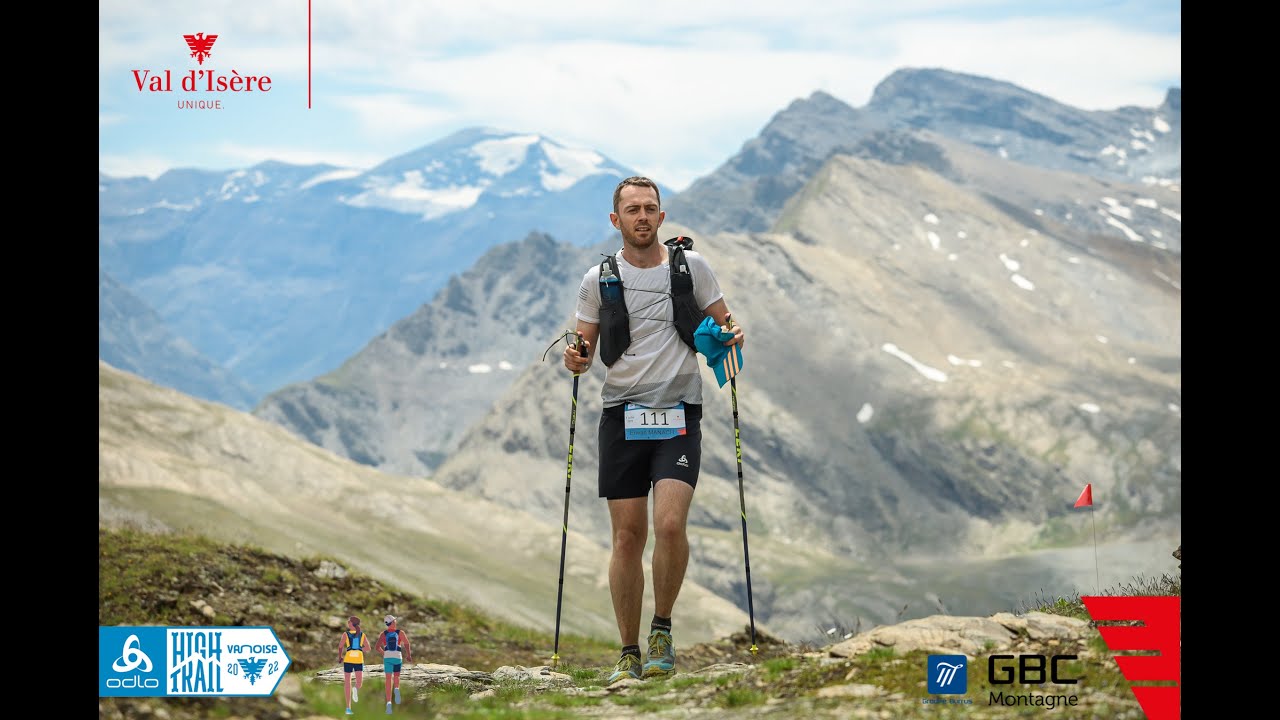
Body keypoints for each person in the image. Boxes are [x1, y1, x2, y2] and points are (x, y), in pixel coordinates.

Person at [562, 176, 744, 685]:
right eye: (632, 209)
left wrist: (730, 335)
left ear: (662, 218)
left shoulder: (692, 269)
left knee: (668, 526)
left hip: (679, 414)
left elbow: (727, 324)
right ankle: (628, 651)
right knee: (627, 538)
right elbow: (583, 351)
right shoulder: (597, 279)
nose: (642, 217)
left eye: (650, 208)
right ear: (615, 220)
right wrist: (575, 360)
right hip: (622, 415)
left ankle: (661, 630)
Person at [375, 614, 413, 713]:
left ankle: (388, 702)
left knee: (388, 679)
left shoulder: (383, 634)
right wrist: (408, 655)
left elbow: (377, 647)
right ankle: (396, 689)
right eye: (395, 620)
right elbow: (407, 644)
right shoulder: (400, 633)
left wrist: (384, 653)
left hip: (388, 657)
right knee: (396, 676)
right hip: (397, 657)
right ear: (393, 622)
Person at [338, 615, 371, 715]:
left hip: (352, 660)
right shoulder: (359, 634)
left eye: (349, 622)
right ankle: (349, 706)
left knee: (353, 683)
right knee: (353, 682)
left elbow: (340, 647)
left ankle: (353, 695)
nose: (348, 623)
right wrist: (360, 650)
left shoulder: (350, 634)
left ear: (352, 624)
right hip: (355, 660)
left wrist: (340, 656)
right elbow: (368, 648)